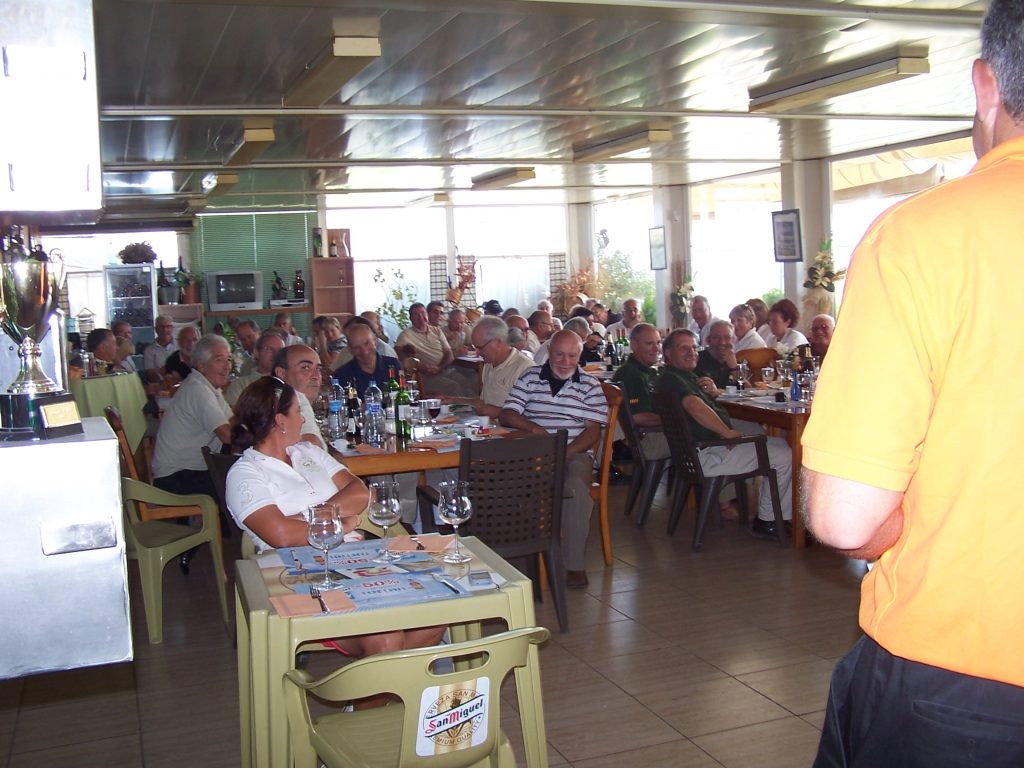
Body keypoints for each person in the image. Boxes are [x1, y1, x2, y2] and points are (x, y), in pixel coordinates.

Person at [803, 5, 1024, 763]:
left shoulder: (926, 236)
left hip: (965, 679)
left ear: (986, 86)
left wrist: (912, 518)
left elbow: (846, 517)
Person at [225, 377, 444, 689]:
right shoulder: (245, 473)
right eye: (298, 411)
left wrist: (312, 518)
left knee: (434, 617)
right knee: (386, 640)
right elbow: (282, 536)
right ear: (280, 421)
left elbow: (360, 492)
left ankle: (376, 695)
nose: (303, 419)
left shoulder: (308, 452)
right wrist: (341, 523)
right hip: (299, 573)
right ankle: (373, 699)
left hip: (358, 562)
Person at [653, 329, 792, 540]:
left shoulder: (678, 377)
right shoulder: (672, 379)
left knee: (780, 445)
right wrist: (727, 433)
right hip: (707, 453)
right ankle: (768, 522)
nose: (692, 352)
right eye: (684, 348)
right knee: (785, 456)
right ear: (668, 354)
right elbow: (693, 405)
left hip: (695, 453)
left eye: (694, 347)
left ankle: (777, 517)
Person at [500, 330, 608, 589]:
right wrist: (535, 429)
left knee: (576, 488)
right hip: (534, 452)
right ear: (548, 352)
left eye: (572, 356)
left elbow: (593, 432)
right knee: (507, 482)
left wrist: (562, 453)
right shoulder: (530, 377)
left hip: (574, 452)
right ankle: (525, 548)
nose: (565, 361)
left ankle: (574, 565)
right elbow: (507, 414)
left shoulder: (590, 385)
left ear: (580, 355)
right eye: (559, 354)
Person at [151, 334, 233, 499]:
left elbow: (232, 422)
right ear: (202, 366)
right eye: (219, 360)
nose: (227, 367)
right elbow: (228, 436)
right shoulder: (198, 390)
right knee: (239, 485)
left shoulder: (209, 387)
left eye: (229, 359)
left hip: (190, 471)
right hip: (175, 478)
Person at [441, 316, 534, 417]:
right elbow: (484, 402)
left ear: (498, 342)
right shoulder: (489, 364)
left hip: (512, 427)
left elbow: (535, 414)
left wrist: (498, 412)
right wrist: (453, 400)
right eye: (475, 348)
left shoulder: (526, 369)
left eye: (480, 348)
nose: (477, 353)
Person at [611, 323, 668, 461]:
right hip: (643, 443)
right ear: (634, 345)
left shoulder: (646, 371)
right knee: (698, 435)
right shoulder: (631, 375)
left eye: (658, 343)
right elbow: (637, 417)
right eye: (649, 343)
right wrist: (677, 419)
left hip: (645, 438)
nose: (656, 348)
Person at [396, 302, 476, 397]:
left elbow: (449, 354)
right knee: (454, 387)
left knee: (467, 382)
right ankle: (460, 406)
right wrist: (420, 366)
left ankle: (472, 405)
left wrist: (439, 368)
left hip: (443, 370)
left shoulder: (436, 331)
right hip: (425, 375)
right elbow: (398, 356)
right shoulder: (406, 335)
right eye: (416, 314)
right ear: (411, 318)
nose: (421, 317)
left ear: (427, 314)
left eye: (423, 313)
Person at [273, 344, 327, 449]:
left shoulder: (267, 397)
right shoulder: (296, 398)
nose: (316, 376)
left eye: (318, 369)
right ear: (282, 373)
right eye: (305, 368)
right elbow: (312, 446)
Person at [334, 322, 401, 398]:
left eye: (366, 343)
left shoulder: (393, 365)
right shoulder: (342, 375)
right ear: (350, 350)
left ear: (375, 340)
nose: (364, 351)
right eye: (357, 348)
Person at [225, 329, 286, 406]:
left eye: (280, 350)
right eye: (269, 349)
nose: (276, 354)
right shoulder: (240, 385)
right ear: (256, 352)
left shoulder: (290, 384)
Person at [332, 316, 399, 368]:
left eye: (366, 343)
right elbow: (332, 371)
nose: (364, 351)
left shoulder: (386, 353)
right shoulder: (347, 349)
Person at [695, 320, 739, 389]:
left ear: (734, 340)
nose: (722, 342)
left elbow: (748, 391)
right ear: (708, 340)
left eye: (727, 337)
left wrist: (734, 368)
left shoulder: (736, 361)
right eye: (716, 337)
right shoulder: (696, 360)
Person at [143, 315, 177, 383]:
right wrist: (164, 384)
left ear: (172, 328)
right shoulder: (149, 350)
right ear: (156, 329)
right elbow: (150, 373)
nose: (165, 330)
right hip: (161, 386)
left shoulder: (181, 346)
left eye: (168, 326)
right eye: (161, 327)